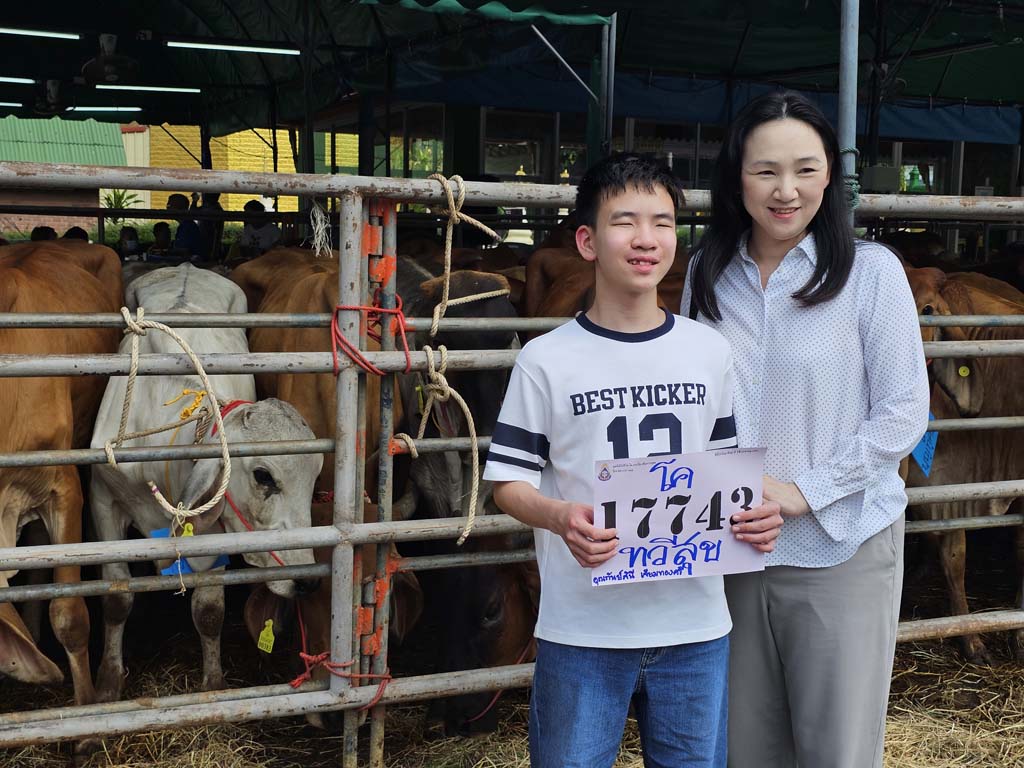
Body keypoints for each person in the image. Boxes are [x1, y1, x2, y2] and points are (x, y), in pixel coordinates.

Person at [484, 153, 784, 768]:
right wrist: (559, 515)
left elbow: (725, 474)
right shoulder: (545, 359)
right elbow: (507, 483)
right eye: (625, 221)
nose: (646, 239)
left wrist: (755, 514)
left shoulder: (709, 352)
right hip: (583, 630)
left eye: (662, 222)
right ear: (587, 241)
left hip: (695, 624)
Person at [681, 91, 931, 768]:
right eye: (765, 170)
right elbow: (693, 402)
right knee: (744, 748)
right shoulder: (707, 272)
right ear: (736, 176)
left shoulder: (871, 273)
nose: (785, 190)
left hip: (840, 543)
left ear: (830, 176)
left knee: (835, 751)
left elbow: (904, 410)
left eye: (805, 169)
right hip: (734, 546)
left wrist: (802, 491)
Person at [166, 193, 201, 258]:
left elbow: (184, 251)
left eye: (169, 205)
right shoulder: (185, 225)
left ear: (177, 207)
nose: (167, 208)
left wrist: (167, 251)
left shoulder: (187, 227)